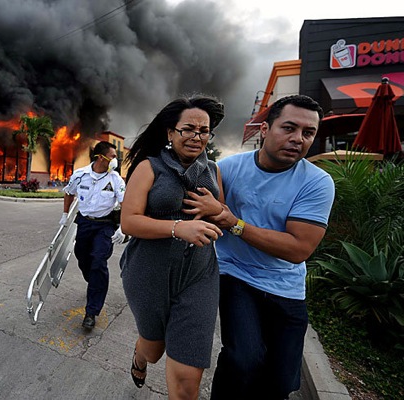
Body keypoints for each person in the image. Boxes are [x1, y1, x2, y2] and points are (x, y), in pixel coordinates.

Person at [206, 95, 336, 400]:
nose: (297, 139)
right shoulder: (228, 169)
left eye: (308, 133)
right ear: (265, 129)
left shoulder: (317, 182)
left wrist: (234, 223)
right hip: (236, 275)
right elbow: (208, 215)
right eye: (288, 128)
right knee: (243, 359)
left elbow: (298, 249)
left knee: (280, 384)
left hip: (286, 286)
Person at [119, 94, 225, 399]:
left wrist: (216, 210)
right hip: (148, 272)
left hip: (198, 276)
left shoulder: (214, 171)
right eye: (188, 129)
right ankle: (140, 357)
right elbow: (129, 222)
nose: (197, 137)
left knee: (187, 379)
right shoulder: (149, 167)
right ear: (170, 132)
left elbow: (220, 218)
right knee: (154, 350)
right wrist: (179, 228)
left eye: (204, 131)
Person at [60, 141, 126, 330]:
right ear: (100, 157)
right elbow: (68, 193)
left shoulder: (116, 180)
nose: (115, 160)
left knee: (98, 261)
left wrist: (122, 227)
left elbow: (125, 204)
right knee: (83, 258)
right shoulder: (80, 175)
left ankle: (91, 312)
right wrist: (65, 215)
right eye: (113, 156)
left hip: (104, 225)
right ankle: (95, 281)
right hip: (84, 223)